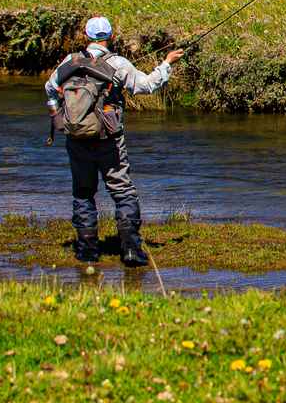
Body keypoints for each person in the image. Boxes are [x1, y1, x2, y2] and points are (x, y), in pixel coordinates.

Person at [44, 16, 184, 267]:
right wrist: (166, 63)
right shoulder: (119, 63)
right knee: (122, 191)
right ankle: (131, 249)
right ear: (110, 37)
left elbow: (50, 88)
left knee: (83, 192)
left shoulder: (70, 61)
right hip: (109, 139)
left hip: (76, 138)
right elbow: (146, 86)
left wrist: (59, 116)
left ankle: (87, 251)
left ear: (86, 36)